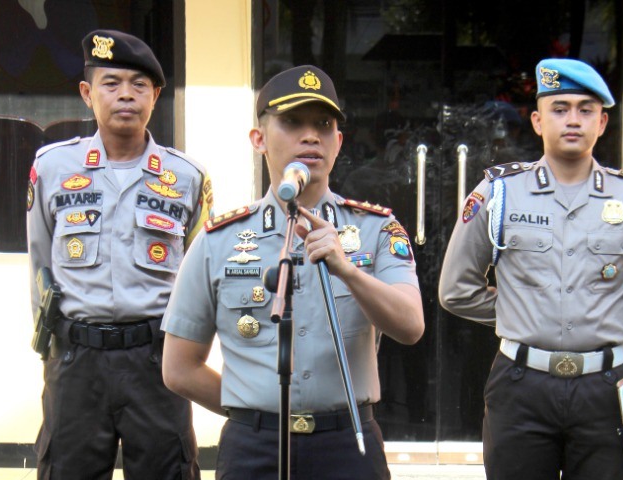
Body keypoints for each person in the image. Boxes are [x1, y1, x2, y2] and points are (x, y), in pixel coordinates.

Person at [160, 65, 425, 480]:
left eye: (323, 124)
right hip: (254, 447)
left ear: (338, 142)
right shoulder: (219, 240)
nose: (310, 136)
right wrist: (251, 408)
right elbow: (179, 368)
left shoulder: (377, 230)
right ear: (259, 139)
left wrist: (347, 270)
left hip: (347, 444)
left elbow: (411, 326)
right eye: (291, 122)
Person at [438, 58, 623, 480]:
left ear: (602, 122)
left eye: (586, 110)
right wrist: (523, 310)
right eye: (559, 108)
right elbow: (456, 289)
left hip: (605, 391)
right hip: (520, 387)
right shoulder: (498, 193)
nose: (573, 120)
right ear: (536, 120)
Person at [26, 29, 212, 480]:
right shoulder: (51, 169)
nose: (125, 95)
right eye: (111, 83)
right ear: (88, 93)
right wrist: (51, 351)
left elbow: (201, 280)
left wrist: (189, 359)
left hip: (157, 362)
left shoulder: (188, 178)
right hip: (76, 361)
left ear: (156, 96)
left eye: (139, 84)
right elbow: (39, 264)